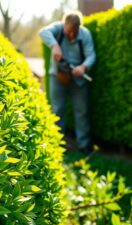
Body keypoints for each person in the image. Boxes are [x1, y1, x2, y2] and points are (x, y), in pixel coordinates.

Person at [39, 10, 96, 154]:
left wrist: (83, 67)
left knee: (81, 111)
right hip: (57, 76)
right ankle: (57, 145)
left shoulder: (85, 34)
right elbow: (43, 32)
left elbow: (91, 55)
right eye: (69, 31)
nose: (71, 35)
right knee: (57, 109)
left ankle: (83, 144)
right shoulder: (57, 28)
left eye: (75, 32)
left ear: (79, 28)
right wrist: (54, 45)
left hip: (78, 79)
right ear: (64, 25)